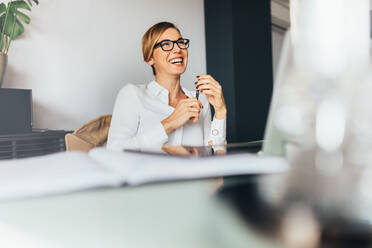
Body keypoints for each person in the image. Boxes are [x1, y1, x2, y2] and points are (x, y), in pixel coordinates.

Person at [107, 22, 227, 151]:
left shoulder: (201, 100)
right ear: (149, 58)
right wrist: (169, 123)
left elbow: (213, 156)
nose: (177, 49)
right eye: (166, 44)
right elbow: (115, 151)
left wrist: (220, 112)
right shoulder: (132, 95)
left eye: (181, 42)